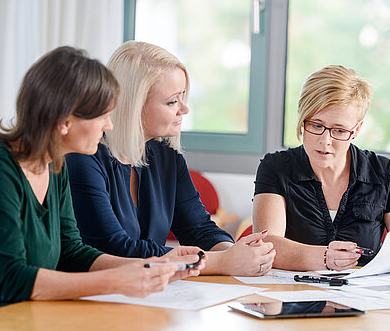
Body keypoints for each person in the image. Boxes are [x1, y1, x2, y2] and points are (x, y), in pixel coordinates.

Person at [0, 46, 204, 318]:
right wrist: (115, 281)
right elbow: (10, 279)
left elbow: (72, 252)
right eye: (103, 116)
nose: (109, 126)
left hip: (30, 316)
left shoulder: (55, 166)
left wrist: (150, 266)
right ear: (65, 121)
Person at [66, 41, 276, 276]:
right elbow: (113, 249)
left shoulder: (166, 156)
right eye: (172, 101)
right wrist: (221, 262)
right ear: (134, 106)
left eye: (183, 97)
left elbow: (199, 229)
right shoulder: (83, 158)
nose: (184, 109)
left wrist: (234, 254)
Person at [252, 65, 390, 273]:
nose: (325, 141)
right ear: (302, 117)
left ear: (356, 130)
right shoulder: (276, 167)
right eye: (316, 126)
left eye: (339, 130)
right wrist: (325, 257)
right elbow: (268, 245)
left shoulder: (384, 172)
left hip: (363, 300)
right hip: (293, 296)